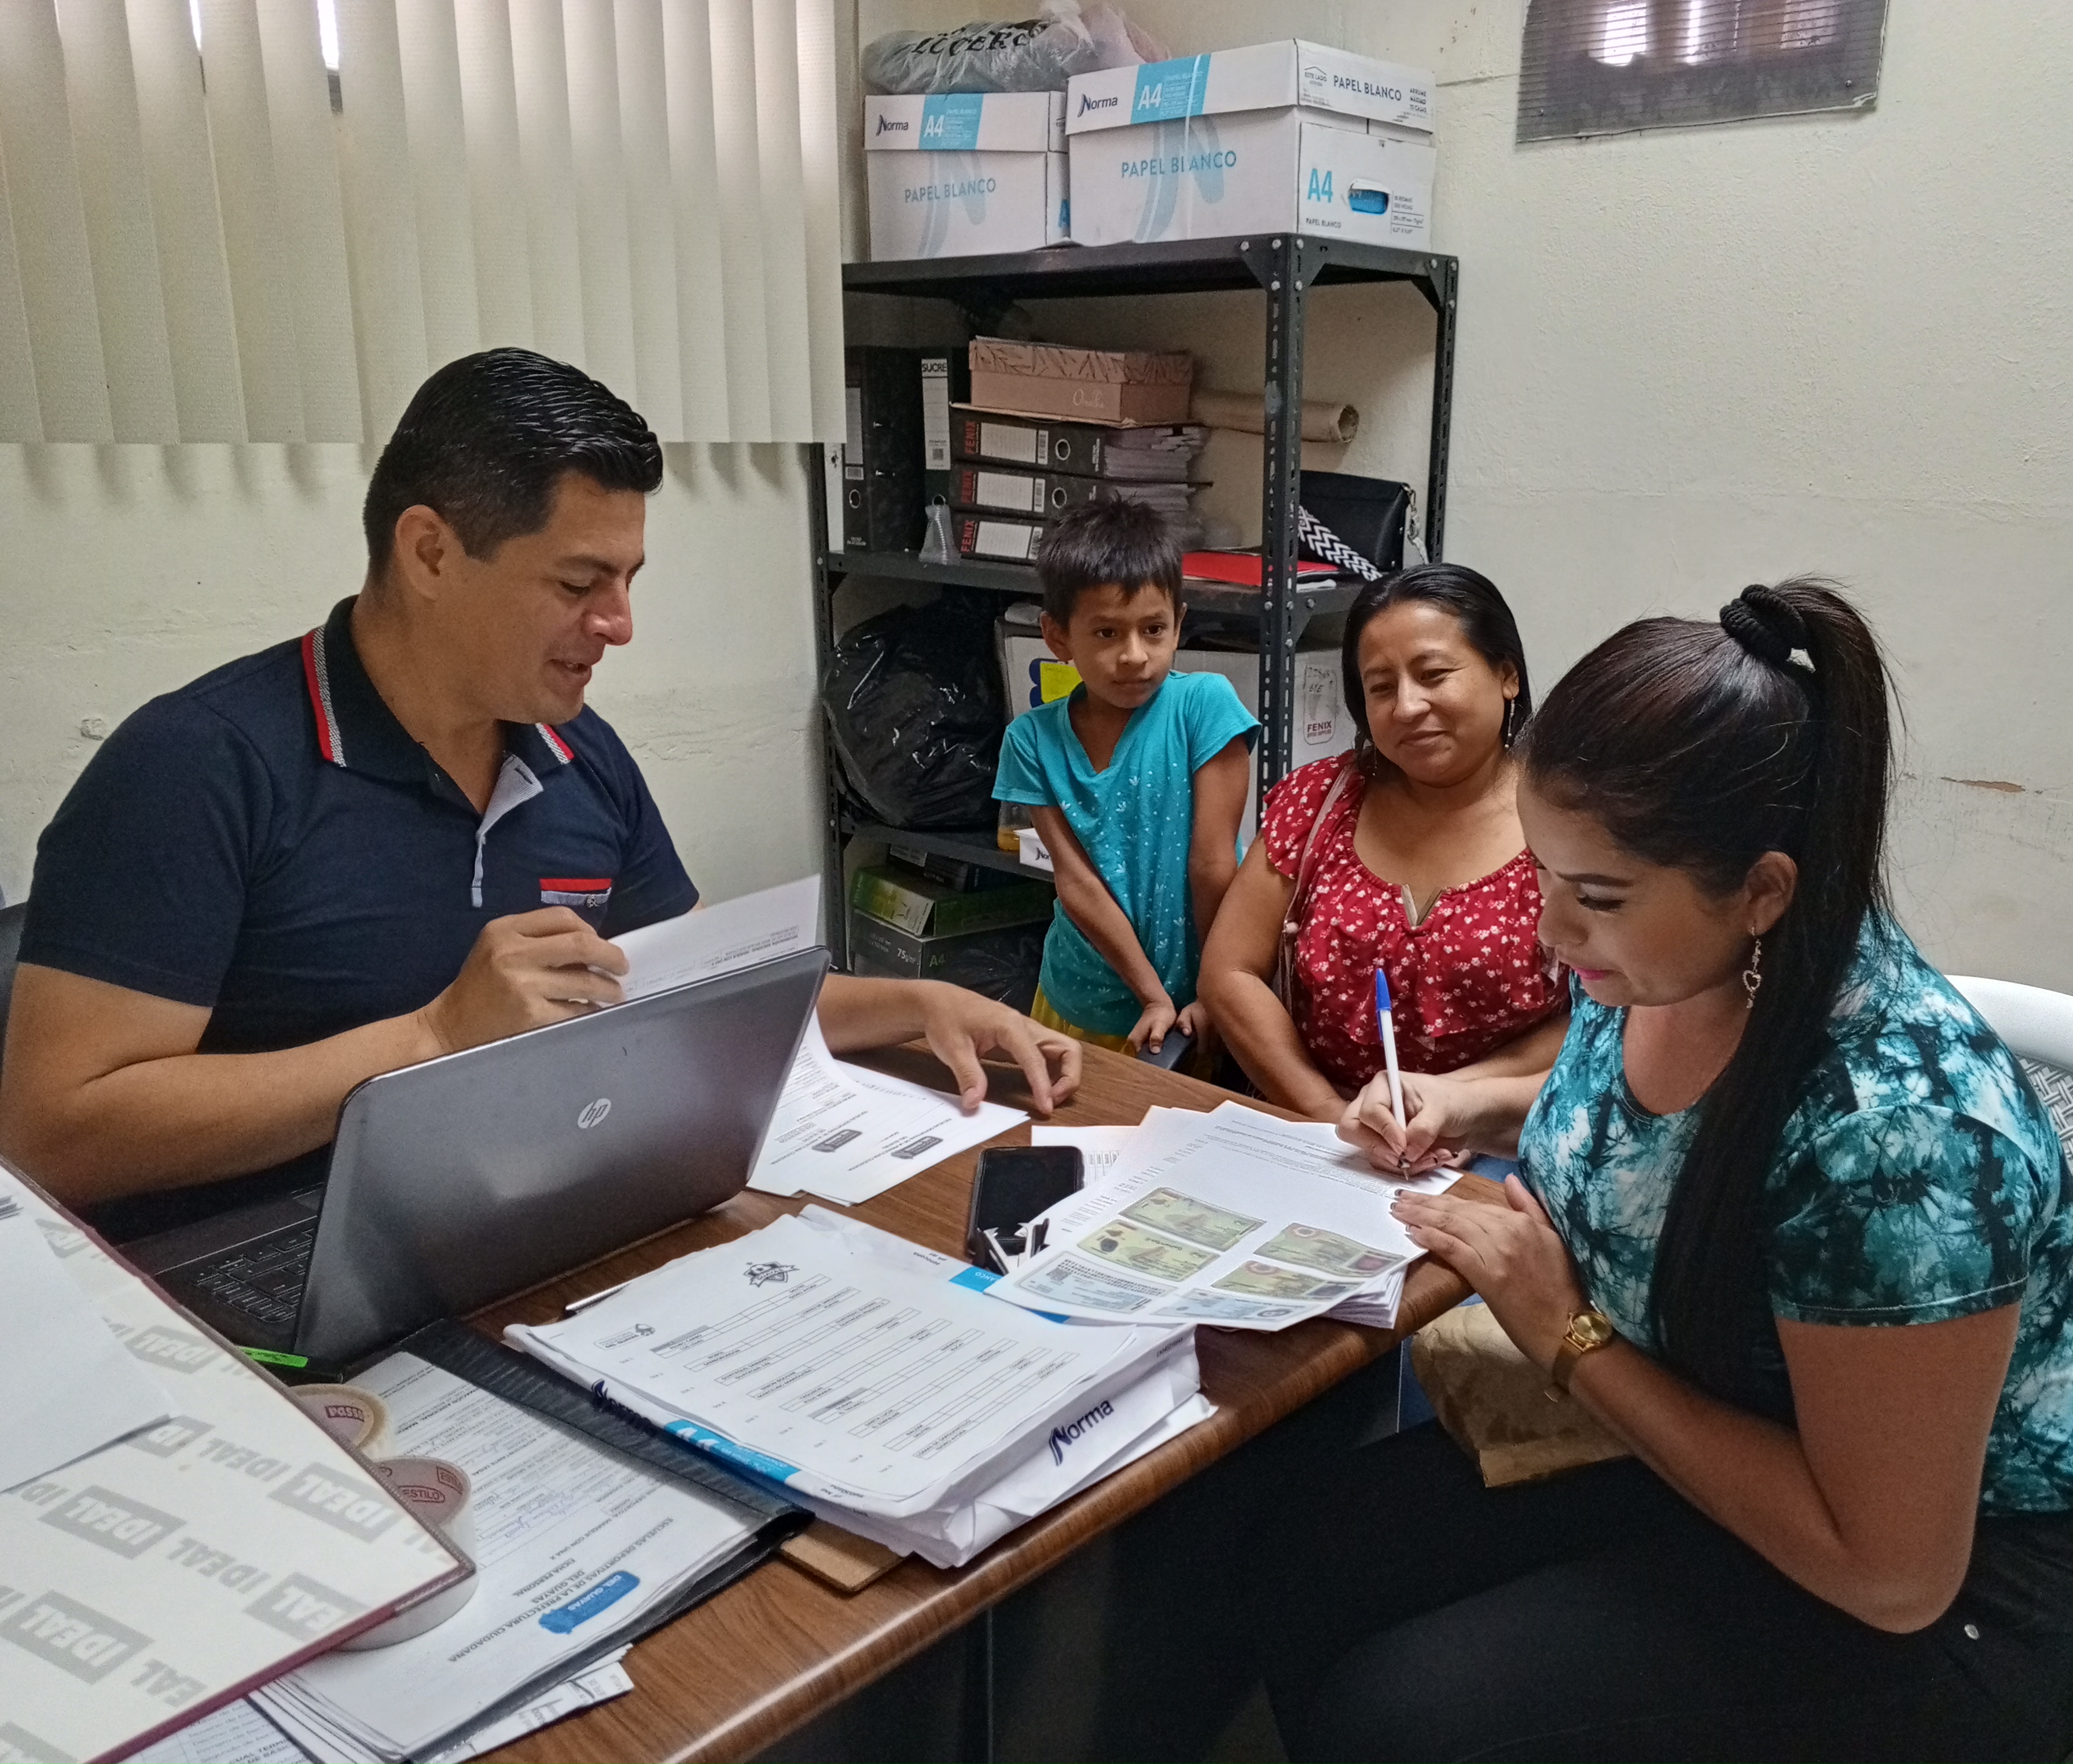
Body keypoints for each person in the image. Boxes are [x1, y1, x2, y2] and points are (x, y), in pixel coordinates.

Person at [1257, 580, 2073, 1763]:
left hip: (1953, 1601)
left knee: (1398, 1718)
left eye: (1595, 897)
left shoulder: (1897, 1141)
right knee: (1307, 1554)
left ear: (1760, 891)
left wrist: (1567, 1334)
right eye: (1545, 875)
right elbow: (1643, 1122)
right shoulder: (1665, 963)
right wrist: (1466, 1100)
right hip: (1704, 1423)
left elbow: (1890, 1575)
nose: (1552, 932)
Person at [0, 349, 1079, 1243]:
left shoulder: (576, 753)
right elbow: (55, 1131)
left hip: (516, 1228)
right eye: (577, 583)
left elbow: (689, 986)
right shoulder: (198, 766)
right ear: (430, 552)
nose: (618, 625)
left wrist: (916, 1004)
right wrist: (431, 1037)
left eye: (628, 581)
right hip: (252, 1279)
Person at [1197, 564, 1570, 1123]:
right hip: (1321, 1131)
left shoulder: (1570, 824)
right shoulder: (1319, 802)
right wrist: (1330, 1115)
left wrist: (1450, 1105)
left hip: (1497, 1134)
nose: (1407, 707)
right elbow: (1230, 973)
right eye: (1380, 687)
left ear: (1507, 675)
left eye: (1434, 674)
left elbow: (1600, 1012)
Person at [993, 500, 1256, 1062]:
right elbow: (1077, 883)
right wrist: (1150, 995)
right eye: (1107, 632)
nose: (1135, 656)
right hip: (1079, 995)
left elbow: (1212, 863)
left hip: (1201, 996)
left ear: (1178, 624)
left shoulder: (1204, 706)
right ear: (1058, 637)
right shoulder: (1031, 740)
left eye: (1153, 630)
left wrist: (1213, 989)